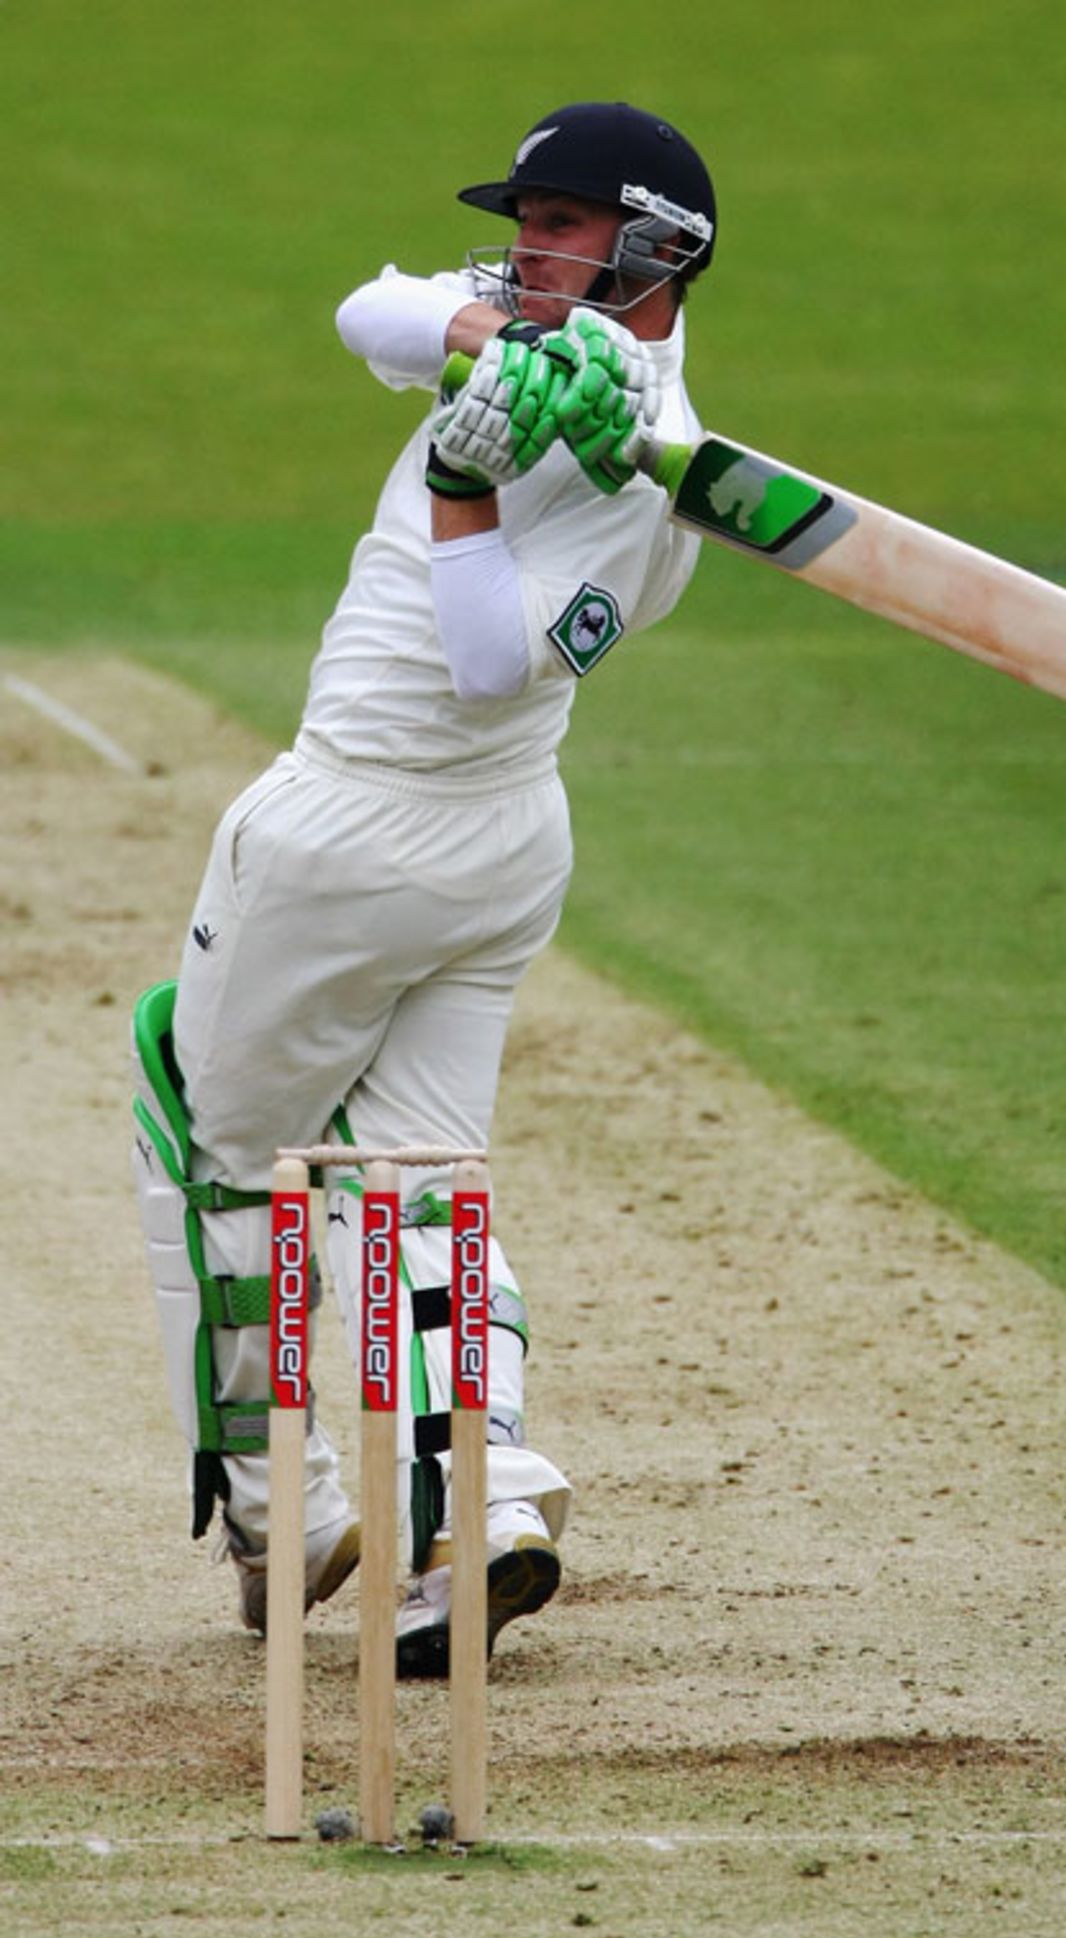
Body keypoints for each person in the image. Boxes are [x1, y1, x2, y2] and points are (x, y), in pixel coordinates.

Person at [130, 101, 717, 1676]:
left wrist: (466, 471)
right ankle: (487, 1501)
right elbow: (362, 307)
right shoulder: (522, 332)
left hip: (350, 830)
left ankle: (291, 1510)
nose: (527, 244)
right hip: (503, 855)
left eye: (560, 222)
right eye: (520, 218)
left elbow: (483, 663)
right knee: (421, 1183)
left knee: (206, 1133)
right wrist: (488, 341)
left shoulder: (648, 481)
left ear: (654, 248)